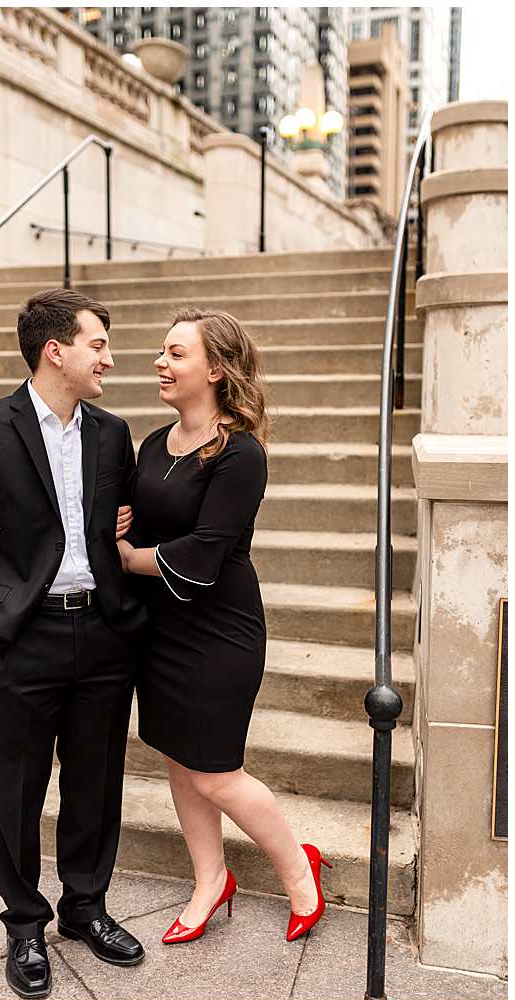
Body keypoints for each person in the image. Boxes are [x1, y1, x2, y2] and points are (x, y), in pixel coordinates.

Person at [0, 289, 150, 1000]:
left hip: (102, 631)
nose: (108, 360)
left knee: (96, 783)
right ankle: (24, 922)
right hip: (21, 639)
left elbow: (122, 522)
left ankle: (84, 907)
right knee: (16, 792)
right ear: (55, 350)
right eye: (97, 345)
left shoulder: (112, 433)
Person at [119, 308, 328, 946]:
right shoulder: (154, 444)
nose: (161, 361)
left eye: (176, 353)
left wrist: (130, 558)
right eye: (162, 350)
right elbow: (137, 515)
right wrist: (118, 527)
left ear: (214, 368)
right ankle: (210, 880)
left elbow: (206, 551)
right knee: (180, 763)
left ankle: (300, 871)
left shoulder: (240, 454)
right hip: (160, 629)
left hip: (219, 631)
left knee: (215, 772)